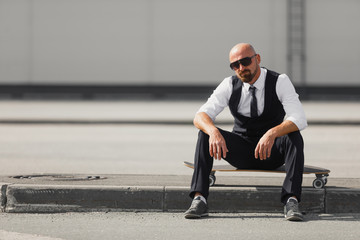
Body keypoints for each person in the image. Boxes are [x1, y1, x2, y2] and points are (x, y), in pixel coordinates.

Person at [184, 43, 307, 221]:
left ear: (257, 59)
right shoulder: (229, 84)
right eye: (235, 65)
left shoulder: (279, 81)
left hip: (272, 152)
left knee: (294, 135)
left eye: (245, 61)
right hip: (241, 152)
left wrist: (272, 133)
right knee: (205, 133)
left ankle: (291, 200)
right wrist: (213, 131)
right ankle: (199, 199)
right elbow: (200, 115)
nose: (241, 68)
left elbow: (299, 118)